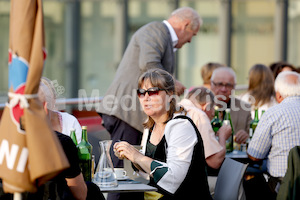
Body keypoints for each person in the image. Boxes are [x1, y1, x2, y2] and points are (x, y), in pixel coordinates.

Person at [97, 7, 202, 169]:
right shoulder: (157, 30)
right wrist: (173, 82)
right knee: (121, 171)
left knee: (131, 171)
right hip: (128, 113)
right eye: (193, 35)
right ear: (186, 25)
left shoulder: (160, 34)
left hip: (129, 112)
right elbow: (149, 64)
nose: (190, 41)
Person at [114, 69, 212, 200]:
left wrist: (136, 156)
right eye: (141, 93)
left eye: (153, 92)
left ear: (170, 94)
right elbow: (148, 174)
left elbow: (173, 179)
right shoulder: (150, 126)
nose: (146, 98)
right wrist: (130, 156)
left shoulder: (181, 126)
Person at [247, 71, 300, 199]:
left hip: (282, 186)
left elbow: (255, 155)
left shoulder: (274, 113)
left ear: (278, 95)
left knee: (249, 183)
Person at [179, 87, 231, 193]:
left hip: (166, 181)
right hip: (188, 185)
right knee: (235, 184)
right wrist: (222, 136)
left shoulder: (174, 109)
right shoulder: (199, 115)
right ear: (206, 107)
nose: (213, 114)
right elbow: (215, 162)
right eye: (213, 111)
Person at [210, 67, 251, 144]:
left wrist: (247, 137)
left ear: (234, 86)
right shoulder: (202, 107)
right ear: (211, 84)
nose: (223, 89)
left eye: (228, 85)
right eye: (219, 84)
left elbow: (253, 137)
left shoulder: (244, 108)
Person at [40, 77, 82, 142]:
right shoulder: (30, 124)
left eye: (48, 99)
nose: (46, 107)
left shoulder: (70, 121)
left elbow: (80, 149)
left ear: (54, 98)